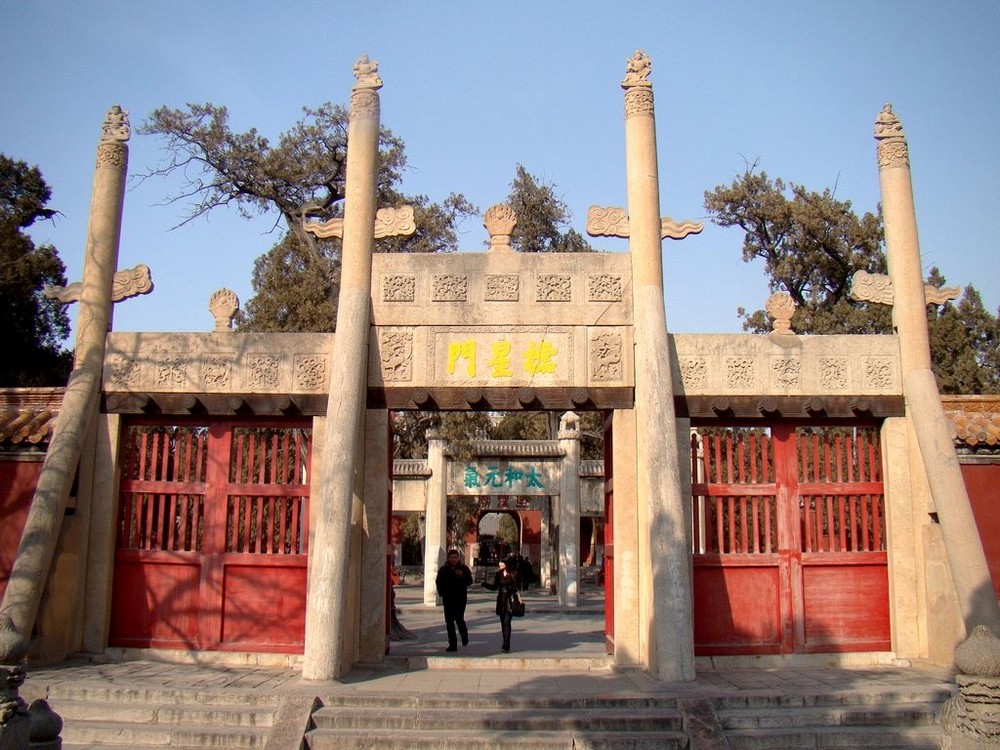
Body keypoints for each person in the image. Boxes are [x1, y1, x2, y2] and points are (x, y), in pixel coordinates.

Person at [435, 548, 473, 652]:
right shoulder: (444, 569)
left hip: (460, 598)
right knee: (449, 622)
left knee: (459, 618)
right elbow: (438, 582)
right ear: (448, 558)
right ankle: (452, 644)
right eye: (452, 557)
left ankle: (464, 635)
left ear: (458, 558)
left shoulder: (463, 568)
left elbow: (469, 581)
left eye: (455, 557)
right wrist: (442, 593)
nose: (454, 559)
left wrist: (462, 576)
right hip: (448, 598)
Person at [482, 556, 520, 653]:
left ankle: (506, 644)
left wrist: (515, 594)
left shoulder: (514, 573)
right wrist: (485, 584)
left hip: (510, 600)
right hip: (501, 600)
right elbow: (495, 587)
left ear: (506, 564)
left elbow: (517, 587)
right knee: (503, 622)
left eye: (501, 563)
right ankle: (505, 641)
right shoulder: (499, 574)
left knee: (507, 622)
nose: (499, 564)